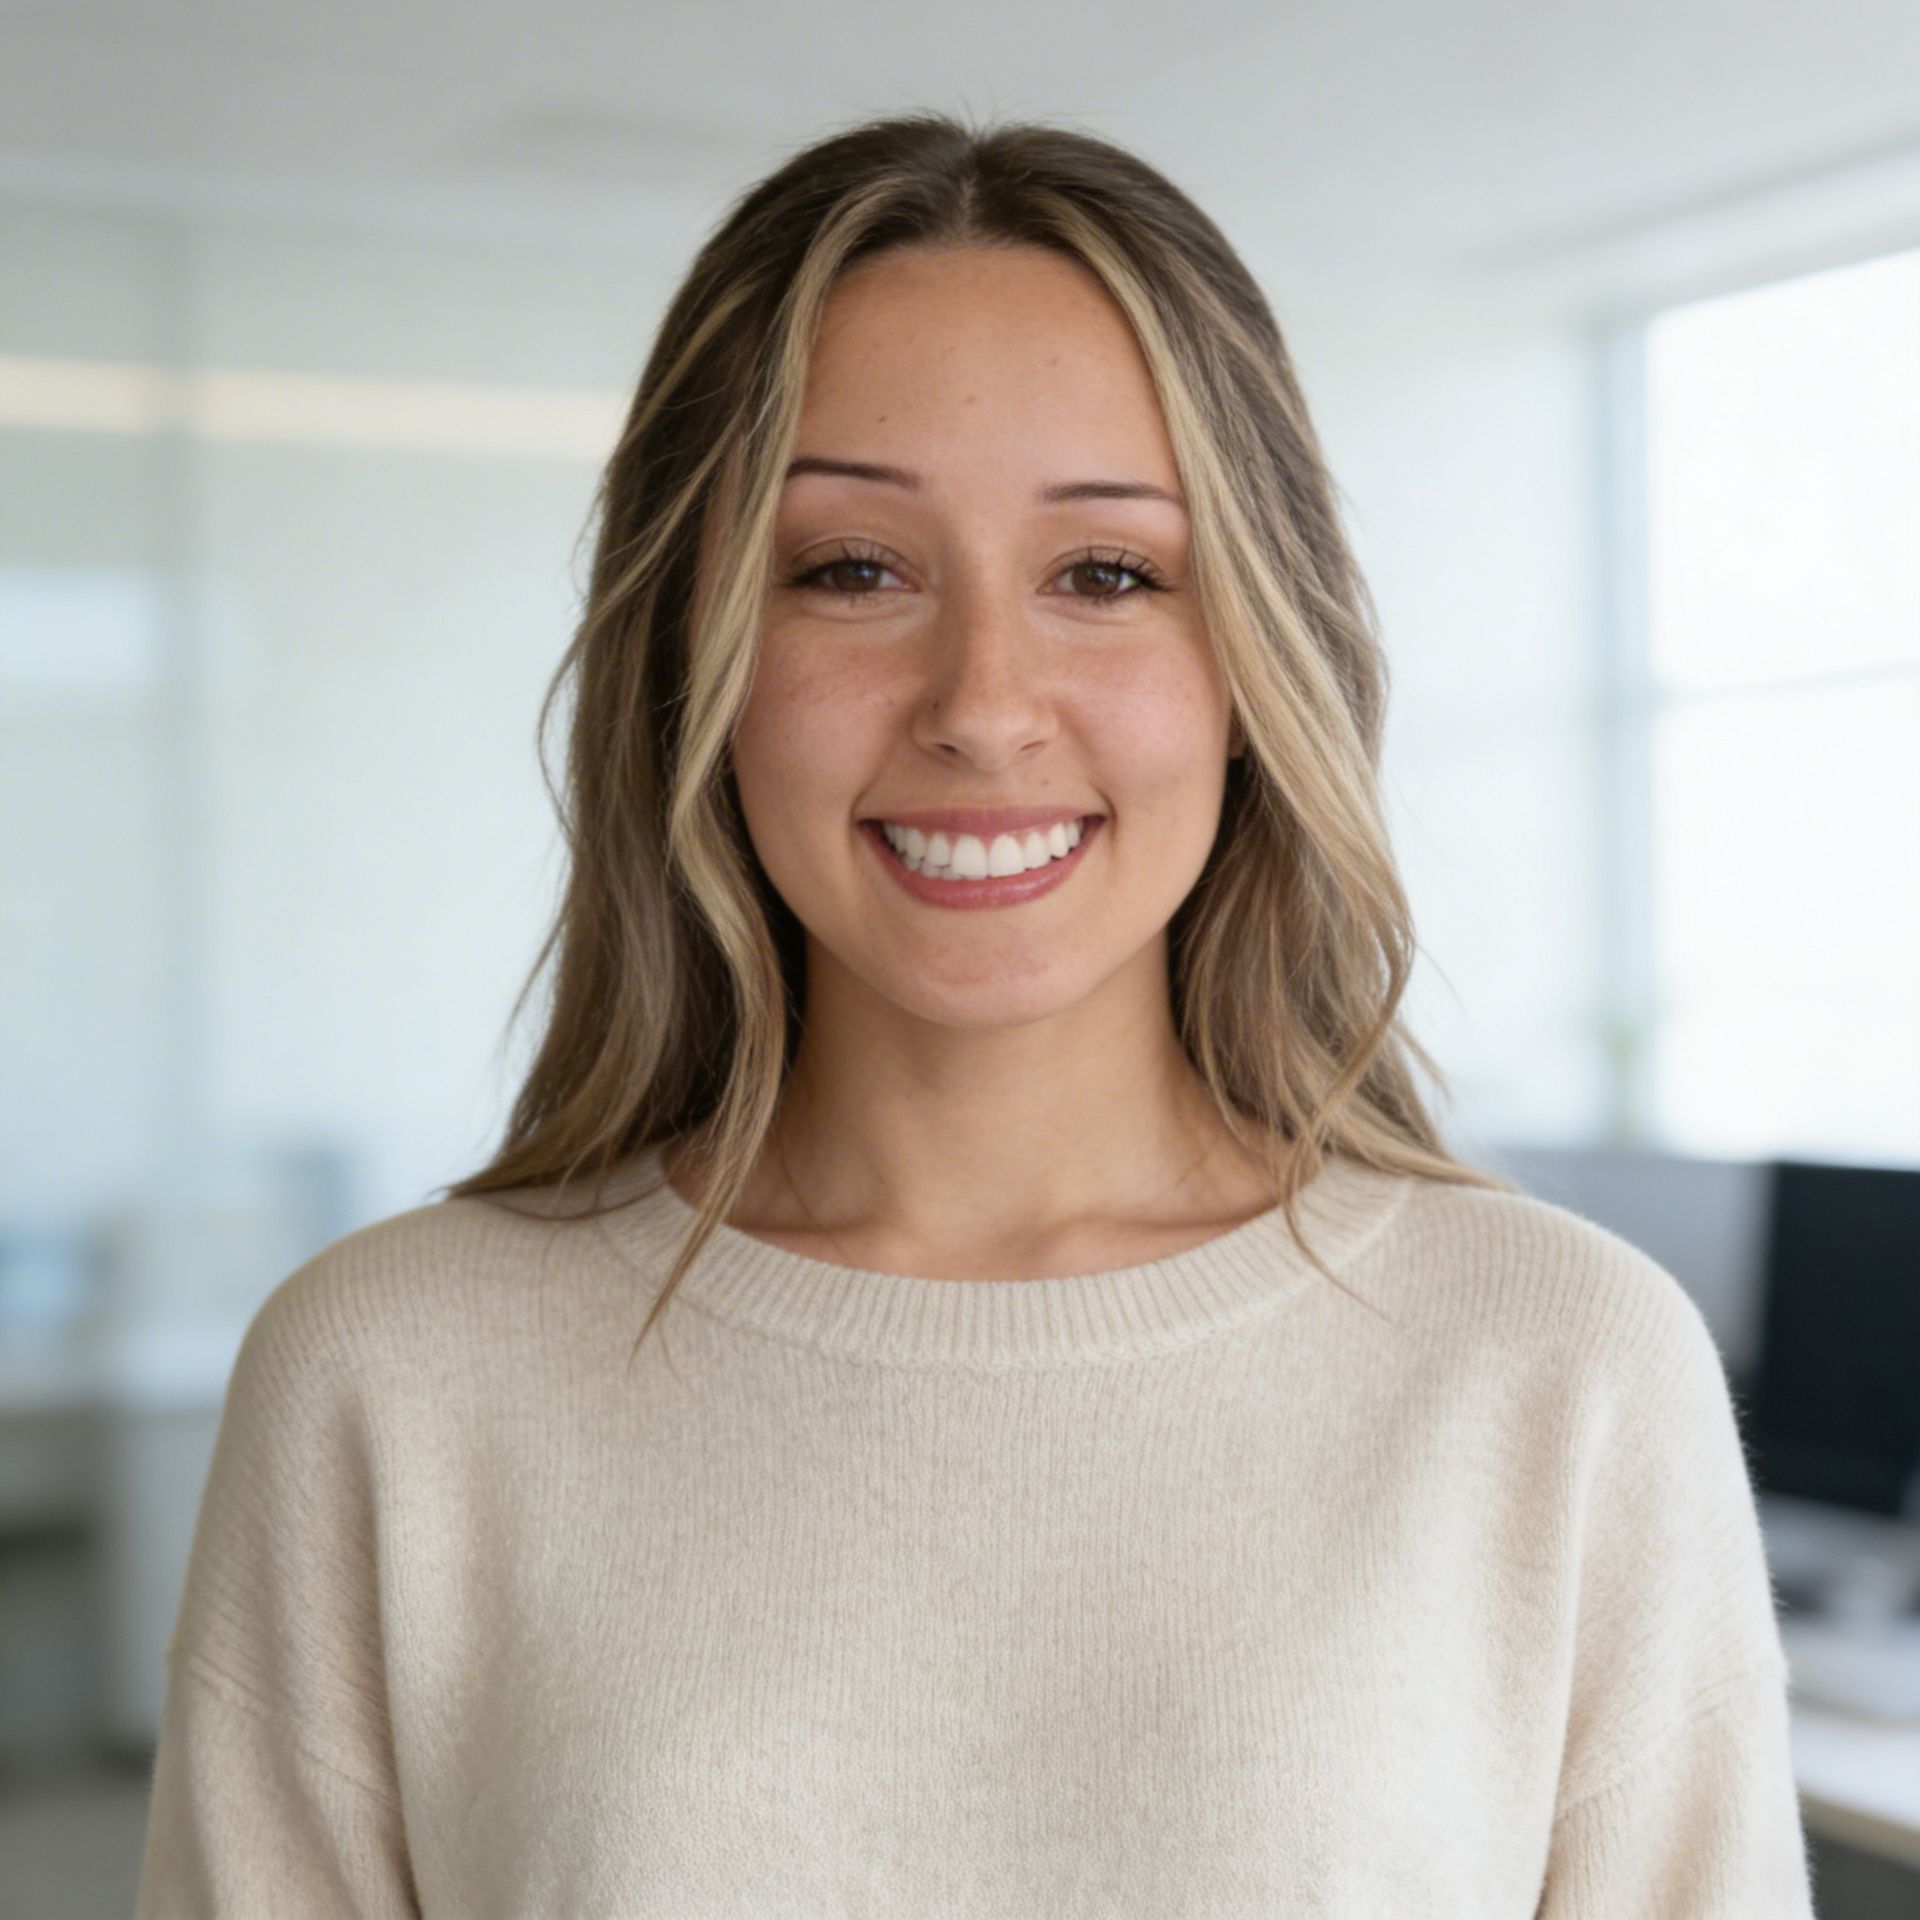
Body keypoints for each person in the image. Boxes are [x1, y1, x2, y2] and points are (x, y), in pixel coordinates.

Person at [134, 112, 1815, 1916]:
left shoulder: (1561, 1370)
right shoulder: (387, 1378)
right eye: (853, 568)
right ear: (695, 653)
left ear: (1255, 662)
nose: (984, 704)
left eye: (1108, 575)